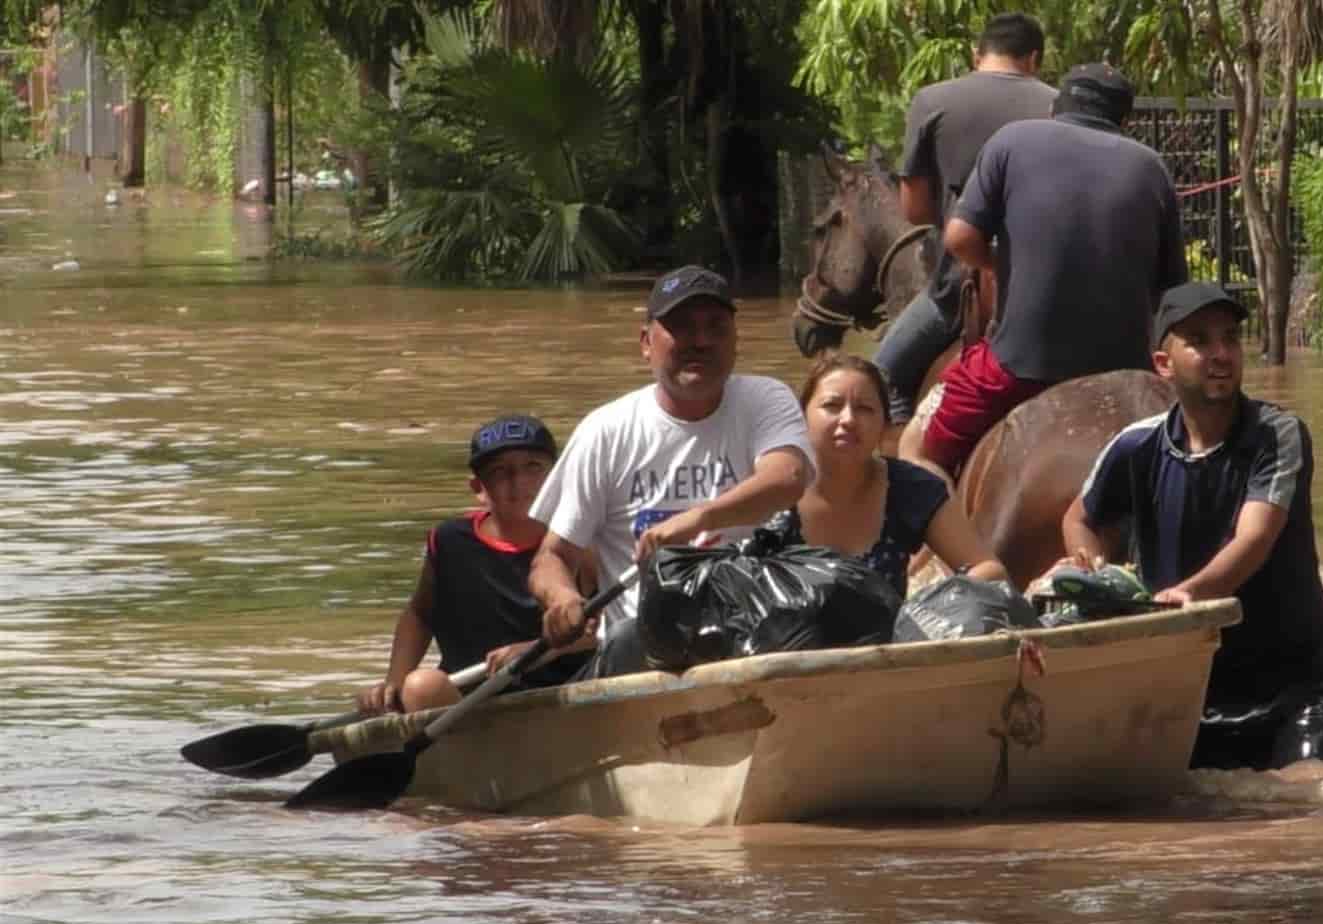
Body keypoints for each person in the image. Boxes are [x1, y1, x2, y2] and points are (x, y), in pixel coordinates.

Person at [1060, 282, 1323, 770]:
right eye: (1199, 340)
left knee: (1310, 817)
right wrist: (1094, 576)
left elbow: (1255, 537)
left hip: (1293, 693)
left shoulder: (1277, 435)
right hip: (1186, 695)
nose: (1221, 354)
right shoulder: (1135, 445)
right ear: (1162, 364)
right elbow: (1080, 516)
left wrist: (1192, 593)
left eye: (1230, 338)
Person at [528, 266, 815, 676]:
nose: (700, 341)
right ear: (646, 343)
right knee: (632, 637)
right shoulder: (605, 430)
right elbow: (551, 557)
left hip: (751, 635)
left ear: (735, 341)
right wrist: (562, 598)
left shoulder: (765, 399)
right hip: (643, 650)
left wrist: (696, 520)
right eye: (681, 328)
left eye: (716, 328)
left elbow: (788, 478)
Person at [927, 61, 1186, 480]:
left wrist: (1002, 263)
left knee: (921, 453)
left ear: (1055, 108)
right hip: (1126, 375)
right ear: (1123, 120)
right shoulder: (1151, 166)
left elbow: (958, 238)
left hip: (1017, 366)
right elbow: (1172, 292)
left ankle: (921, 544)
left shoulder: (1011, 140)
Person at [877, 12, 1057, 431]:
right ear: (1034, 59)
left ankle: (907, 476)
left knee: (882, 374)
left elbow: (915, 210)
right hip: (1053, 283)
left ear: (977, 55)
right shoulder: (1059, 103)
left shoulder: (932, 99)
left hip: (960, 284)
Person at [358, 414, 590, 716]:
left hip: (561, 694)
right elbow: (419, 614)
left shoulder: (580, 541)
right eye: (500, 473)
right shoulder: (450, 542)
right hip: (471, 701)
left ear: (557, 476)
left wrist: (534, 651)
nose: (519, 483)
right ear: (479, 488)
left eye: (532, 467)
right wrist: (394, 680)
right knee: (419, 686)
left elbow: (604, 630)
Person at [765, 354, 1007, 596]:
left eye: (864, 409)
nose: (848, 419)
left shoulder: (911, 488)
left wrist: (928, 608)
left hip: (890, 633)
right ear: (801, 418)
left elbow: (988, 569)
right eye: (832, 406)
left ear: (884, 425)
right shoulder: (769, 487)